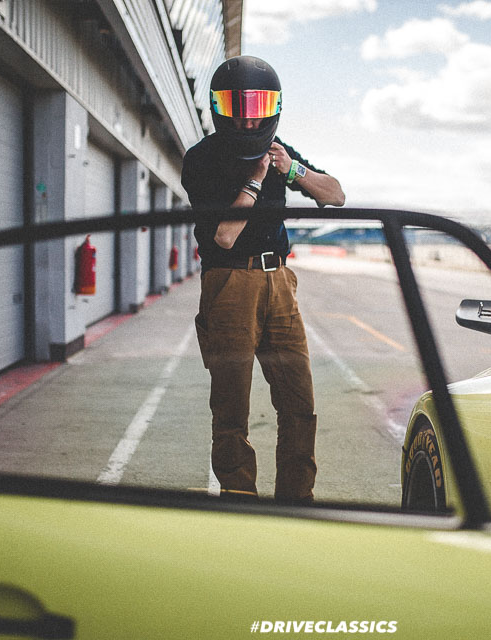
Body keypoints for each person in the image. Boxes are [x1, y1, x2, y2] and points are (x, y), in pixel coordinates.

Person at [181, 55, 345, 503]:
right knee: (231, 407)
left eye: (258, 107)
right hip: (229, 282)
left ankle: (296, 498)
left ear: (272, 107)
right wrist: (255, 180)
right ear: (221, 107)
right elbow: (225, 236)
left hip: (280, 280)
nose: (249, 119)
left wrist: (293, 169)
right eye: (238, 107)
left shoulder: (277, 150)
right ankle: (239, 499)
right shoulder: (202, 159)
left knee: (299, 401)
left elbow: (336, 194)